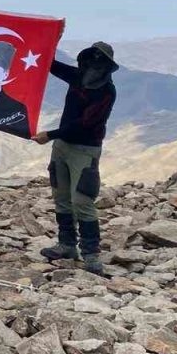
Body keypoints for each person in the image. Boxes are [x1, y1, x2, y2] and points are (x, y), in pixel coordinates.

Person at [33, 42, 119, 275]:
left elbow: (85, 124)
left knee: (81, 200)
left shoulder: (106, 92)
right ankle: (67, 245)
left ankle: (91, 254)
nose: (94, 65)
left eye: (99, 61)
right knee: (61, 196)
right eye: (91, 59)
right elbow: (50, 65)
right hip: (62, 146)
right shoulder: (77, 76)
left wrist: (50, 135)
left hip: (85, 149)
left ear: (106, 67)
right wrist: (52, 38)